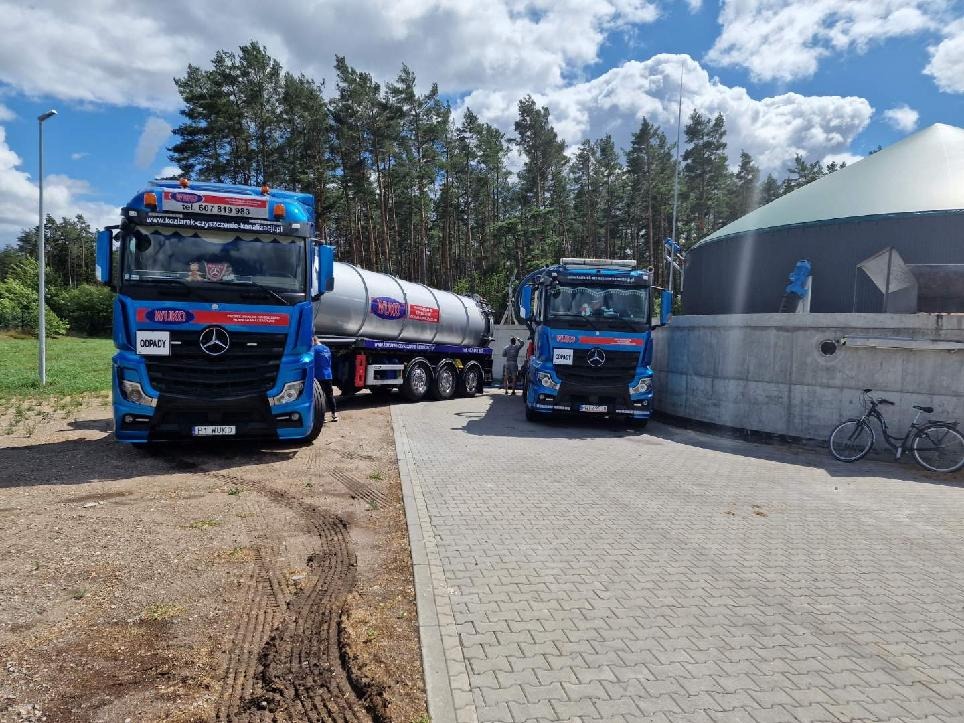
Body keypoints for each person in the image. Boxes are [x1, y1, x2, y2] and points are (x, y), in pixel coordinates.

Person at [312, 336, 338, 422]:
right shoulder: (327, 349)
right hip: (328, 375)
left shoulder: (314, 349)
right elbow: (329, 362)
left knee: (320, 397)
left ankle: (323, 417)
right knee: (330, 395)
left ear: (313, 341)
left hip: (319, 375)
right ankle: (334, 415)